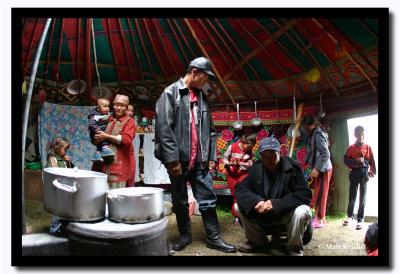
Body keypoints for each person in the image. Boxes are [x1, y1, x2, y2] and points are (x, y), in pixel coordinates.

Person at [154, 57, 236, 253]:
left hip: (199, 161)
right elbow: (164, 129)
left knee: (208, 199)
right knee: (180, 201)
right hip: (178, 162)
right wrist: (172, 160)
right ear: (194, 71)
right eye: (205, 77)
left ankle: (214, 238)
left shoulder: (202, 98)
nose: (206, 82)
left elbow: (212, 131)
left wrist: (210, 156)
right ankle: (185, 236)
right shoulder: (170, 93)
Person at [235, 137, 313, 256]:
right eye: (265, 157)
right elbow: (241, 188)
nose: (269, 160)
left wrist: (276, 204)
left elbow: (304, 195)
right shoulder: (256, 168)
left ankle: (294, 248)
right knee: (238, 206)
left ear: (280, 153)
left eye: (272, 156)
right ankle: (259, 243)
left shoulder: (293, 168)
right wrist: (257, 201)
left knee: (303, 211)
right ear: (260, 157)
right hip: (264, 215)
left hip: (286, 215)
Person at [94, 94, 136, 189]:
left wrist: (106, 136)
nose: (118, 108)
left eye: (122, 105)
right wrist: (96, 139)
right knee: (100, 196)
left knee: (116, 198)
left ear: (126, 107)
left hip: (118, 167)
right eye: (116, 104)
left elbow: (126, 140)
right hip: (102, 165)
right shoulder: (107, 118)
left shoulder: (130, 121)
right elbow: (96, 135)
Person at [302, 115, 332, 229]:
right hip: (320, 168)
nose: (306, 130)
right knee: (318, 192)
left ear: (313, 125)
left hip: (324, 168)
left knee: (321, 193)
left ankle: (320, 219)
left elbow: (325, 154)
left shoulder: (318, 134)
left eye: (307, 127)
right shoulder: (313, 133)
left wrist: (317, 168)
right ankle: (320, 217)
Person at [343, 126, 376, 230]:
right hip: (354, 173)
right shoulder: (351, 147)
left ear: (363, 134)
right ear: (354, 135)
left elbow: (372, 161)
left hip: (364, 173)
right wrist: (356, 161)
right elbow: (346, 160)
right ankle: (350, 216)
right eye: (357, 133)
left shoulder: (368, 147)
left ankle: (360, 219)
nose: (359, 135)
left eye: (360, 133)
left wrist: (372, 171)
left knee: (363, 197)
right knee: (352, 195)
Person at [223, 133, 256, 223]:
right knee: (235, 195)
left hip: (243, 175)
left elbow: (250, 164)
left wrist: (247, 164)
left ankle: (245, 214)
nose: (250, 149)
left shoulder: (250, 151)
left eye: (251, 147)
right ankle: (237, 215)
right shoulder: (232, 147)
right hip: (232, 175)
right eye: (249, 147)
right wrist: (227, 164)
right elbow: (225, 157)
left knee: (242, 193)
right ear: (243, 142)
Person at [46, 137, 74, 234]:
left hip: (63, 192)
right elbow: (52, 176)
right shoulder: (53, 160)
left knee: (63, 213)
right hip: (56, 193)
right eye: (64, 149)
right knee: (57, 214)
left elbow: (69, 172)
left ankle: (61, 230)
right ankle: (53, 232)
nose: (66, 152)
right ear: (57, 148)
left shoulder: (62, 160)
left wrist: (69, 163)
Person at [88, 98, 114, 162]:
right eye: (105, 106)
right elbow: (92, 124)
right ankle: (105, 149)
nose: (107, 108)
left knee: (100, 145)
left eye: (108, 106)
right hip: (97, 132)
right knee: (104, 139)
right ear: (98, 108)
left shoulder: (106, 114)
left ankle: (97, 155)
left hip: (100, 132)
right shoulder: (95, 116)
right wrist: (98, 130)